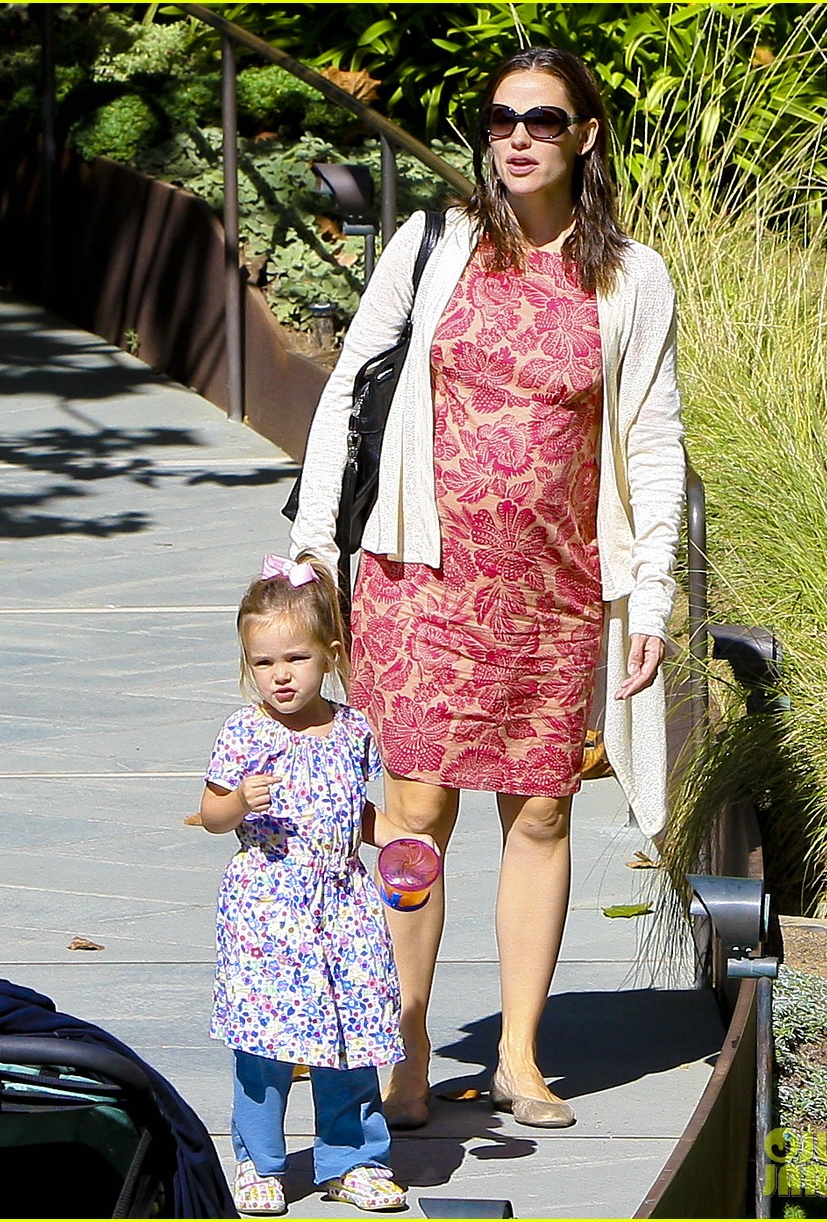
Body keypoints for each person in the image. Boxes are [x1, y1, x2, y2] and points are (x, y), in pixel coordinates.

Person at [288, 46, 686, 1132]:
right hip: (422, 574)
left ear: (585, 135)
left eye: (543, 120)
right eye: (502, 119)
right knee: (413, 808)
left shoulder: (631, 276)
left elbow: (653, 441)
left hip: (556, 589)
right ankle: (408, 1043)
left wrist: (647, 597)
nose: (517, 138)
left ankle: (517, 1052)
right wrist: (318, 547)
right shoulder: (435, 242)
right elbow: (349, 396)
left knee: (544, 812)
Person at [201, 553, 431, 1214]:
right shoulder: (245, 733)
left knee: (349, 1039)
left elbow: (350, 810)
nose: (279, 676)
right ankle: (260, 1161)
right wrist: (240, 800)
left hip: (343, 908)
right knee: (266, 1046)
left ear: (329, 655)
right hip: (269, 912)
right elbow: (212, 815)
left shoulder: (352, 729)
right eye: (264, 663)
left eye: (294, 659)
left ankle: (352, 1159)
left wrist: (398, 837)